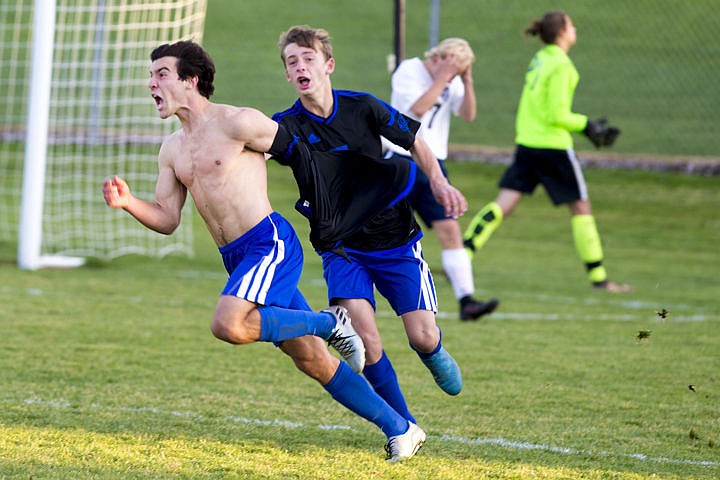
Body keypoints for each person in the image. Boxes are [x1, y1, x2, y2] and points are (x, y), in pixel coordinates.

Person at [103, 40, 425, 462]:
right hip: (236, 258)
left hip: (269, 243)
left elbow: (305, 155)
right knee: (310, 358)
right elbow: (167, 218)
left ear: (191, 80)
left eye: (161, 74)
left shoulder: (240, 123)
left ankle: (329, 322)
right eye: (151, 76)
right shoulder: (172, 149)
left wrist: (333, 209)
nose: (151, 84)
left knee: (228, 325)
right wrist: (129, 203)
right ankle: (401, 429)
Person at [271, 26, 466, 456]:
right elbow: (246, 150)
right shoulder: (286, 128)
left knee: (421, 337)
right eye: (291, 62)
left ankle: (434, 352)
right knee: (366, 336)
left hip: (395, 241)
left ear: (328, 65)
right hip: (342, 247)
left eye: (307, 58)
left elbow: (415, 139)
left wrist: (438, 184)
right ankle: (404, 426)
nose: (300, 66)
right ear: (287, 75)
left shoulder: (361, 107)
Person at [462, 11, 631, 293]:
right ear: (563, 32)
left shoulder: (540, 59)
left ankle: (462, 254)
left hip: (528, 143)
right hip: (553, 147)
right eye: (571, 24)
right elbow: (556, 114)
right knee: (580, 207)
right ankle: (600, 278)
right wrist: (586, 125)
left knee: (504, 203)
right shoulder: (563, 65)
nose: (575, 28)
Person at [383, 37, 499, 320]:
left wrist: (466, 81)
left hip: (434, 163)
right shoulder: (409, 70)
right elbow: (417, 110)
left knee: (450, 229)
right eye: (452, 67)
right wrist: (444, 77)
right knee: (383, 229)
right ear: (438, 58)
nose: (453, 76)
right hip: (400, 159)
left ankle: (467, 301)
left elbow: (468, 114)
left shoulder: (452, 79)